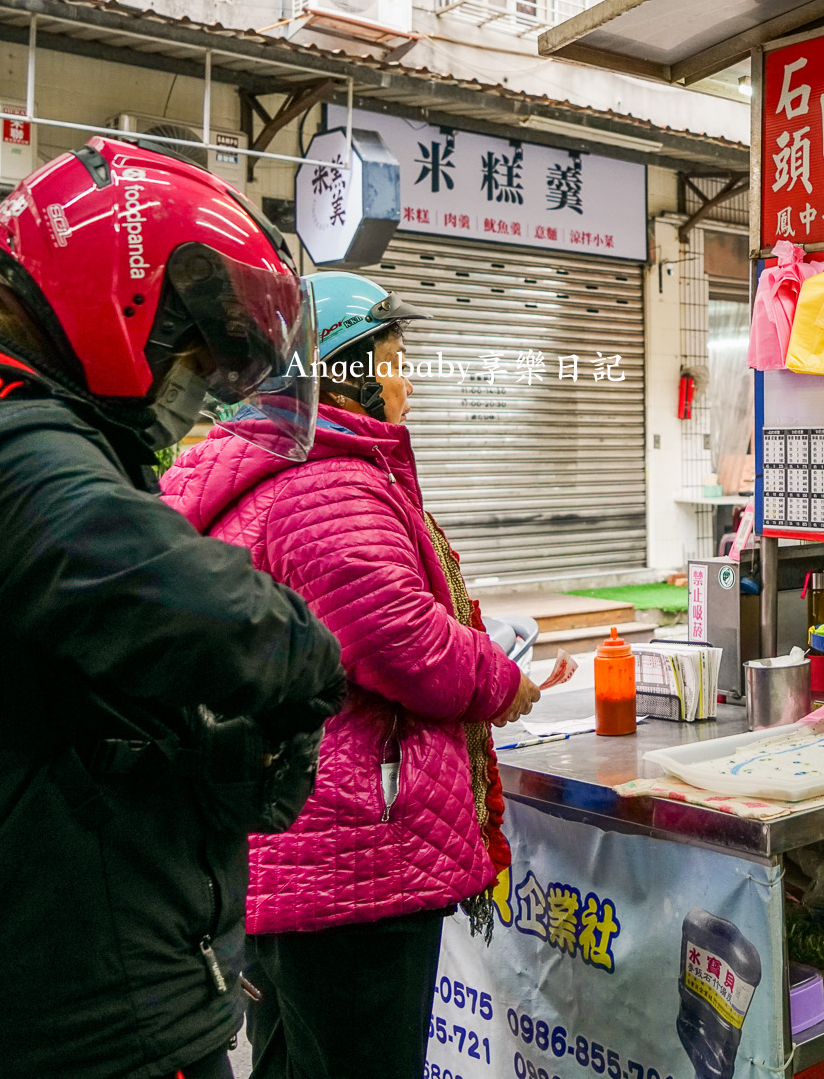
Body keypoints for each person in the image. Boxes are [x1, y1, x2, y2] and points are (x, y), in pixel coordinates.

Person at [0, 138, 346, 1079]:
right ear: (125, 300)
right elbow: (202, 610)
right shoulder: (5, 450)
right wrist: (307, 665)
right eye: (198, 357)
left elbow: (42, 698)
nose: (198, 392)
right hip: (80, 1012)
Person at [162, 271, 573, 1079]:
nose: (408, 376)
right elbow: (400, 642)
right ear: (343, 369)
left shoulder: (285, 471)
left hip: (299, 851)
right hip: (352, 860)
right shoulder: (329, 482)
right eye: (395, 355)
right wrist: (499, 681)